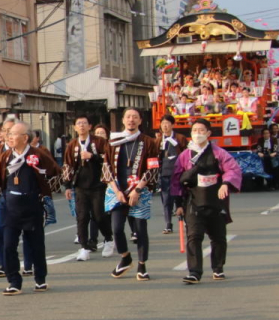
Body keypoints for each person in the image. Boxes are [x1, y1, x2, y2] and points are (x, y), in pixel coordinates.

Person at [0, 122, 61, 295]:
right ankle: (14, 281)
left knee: (36, 245)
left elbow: (56, 175)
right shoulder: (5, 157)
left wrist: (43, 180)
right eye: (8, 134)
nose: (9, 137)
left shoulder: (39, 155)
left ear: (25, 138)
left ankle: (40, 279)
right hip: (11, 207)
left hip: (32, 205)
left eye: (13, 134)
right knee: (8, 245)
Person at [174, 118, 242, 284]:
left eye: (201, 130)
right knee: (194, 236)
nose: (198, 133)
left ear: (209, 133)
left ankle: (218, 268)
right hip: (193, 202)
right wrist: (178, 205)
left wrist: (225, 183)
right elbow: (176, 180)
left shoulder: (219, 153)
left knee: (218, 237)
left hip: (215, 201)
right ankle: (194, 272)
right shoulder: (184, 156)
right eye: (195, 130)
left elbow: (233, 169)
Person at [104, 109, 160, 281]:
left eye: (135, 117)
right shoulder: (113, 142)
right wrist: (117, 191)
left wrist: (137, 190)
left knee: (140, 229)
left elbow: (153, 169)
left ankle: (142, 265)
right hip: (117, 190)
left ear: (140, 121)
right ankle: (125, 257)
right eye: (128, 117)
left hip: (139, 190)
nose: (131, 120)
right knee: (117, 228)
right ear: (123, 120)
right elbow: (106, 169)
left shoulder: (149, 142)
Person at [62, 114, 113, 262]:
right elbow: (68, 165)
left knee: (99, 215)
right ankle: (84, 247)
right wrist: (67, 185)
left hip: (98, 185)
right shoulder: (72, 145)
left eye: (84, 123)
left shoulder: (99, 142)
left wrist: (93, 156)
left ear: (90, 126)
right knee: (82, 217)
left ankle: (108, 239)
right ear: (75, 127)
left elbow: (109, 159)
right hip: (80, 186)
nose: (82, 126)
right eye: (79, 123)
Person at [155, 114, 187, 235]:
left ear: (172, 125)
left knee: (180, 197)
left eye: (167, 123)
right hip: (164, 172)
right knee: (166, 199)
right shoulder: (158, 140)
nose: (165, 126)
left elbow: (187, 153)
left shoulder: (180, 138)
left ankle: (183, 219)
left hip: (179, 172)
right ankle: (168, 224)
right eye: (163, 124)